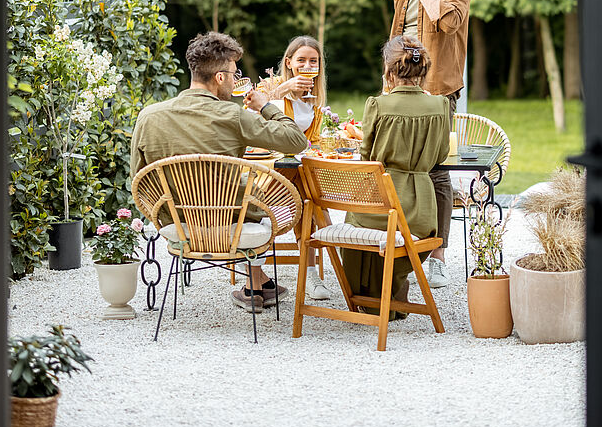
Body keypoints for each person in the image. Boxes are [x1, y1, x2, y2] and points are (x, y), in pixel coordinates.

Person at [130, 31, 308, 313]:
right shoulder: (233, 115)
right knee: (260, 198)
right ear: (221, 78)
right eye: (235, 74)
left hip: (176, 223)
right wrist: (265, 106)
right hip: (229, 223)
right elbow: (297, 141)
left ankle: (258, 284)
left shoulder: (149, 116)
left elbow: (138, 179)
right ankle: (257, 282)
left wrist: (163, 212)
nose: (236, 80)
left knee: (248, 192)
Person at [389, 0, 470, 288]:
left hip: (437, 87)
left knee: (436, 169)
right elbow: (399, 32)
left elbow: (447, 21)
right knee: (395, 165)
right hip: (398, 86)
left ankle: (437, 255)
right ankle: (403, 247)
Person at [341, 36, 448, 316]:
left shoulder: (378, 105)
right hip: (421, 211)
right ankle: (394, 288)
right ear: (423, 71)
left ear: (389, 72)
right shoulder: (441, 106)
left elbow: (366, 158)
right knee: (398, 237)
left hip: (379, 202)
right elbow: (440, 157)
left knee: (356, 223)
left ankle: (371, 300)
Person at [256, 35, 333, 301]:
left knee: (308, 201)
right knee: (287, 205)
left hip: (298, 167)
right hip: (271, 168)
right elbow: (255, 104)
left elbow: (314, 140)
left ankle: (309, 273)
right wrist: (286, 86)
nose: (308, 65)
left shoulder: (315, 100)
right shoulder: (274, 86)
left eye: (314, 61)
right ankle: (258, 274)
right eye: (301, 60)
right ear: (289, 62)